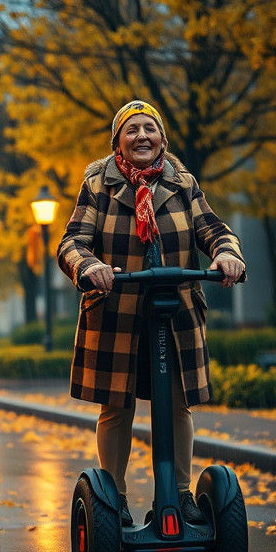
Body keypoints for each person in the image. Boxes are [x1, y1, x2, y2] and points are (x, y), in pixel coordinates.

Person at [57, 100, 246, 527]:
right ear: (118, 141)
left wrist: (226, 254)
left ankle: (179, 494)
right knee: (115, 407)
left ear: (162, 138)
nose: (142, 136)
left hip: (175, 314)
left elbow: (214, 229)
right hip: (117, 313)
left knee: (177, 405)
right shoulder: (98, 185)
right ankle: (114, 498)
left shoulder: (183, 183)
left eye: (150, 128)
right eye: (132, 129)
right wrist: (89, 266)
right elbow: (72, 242)